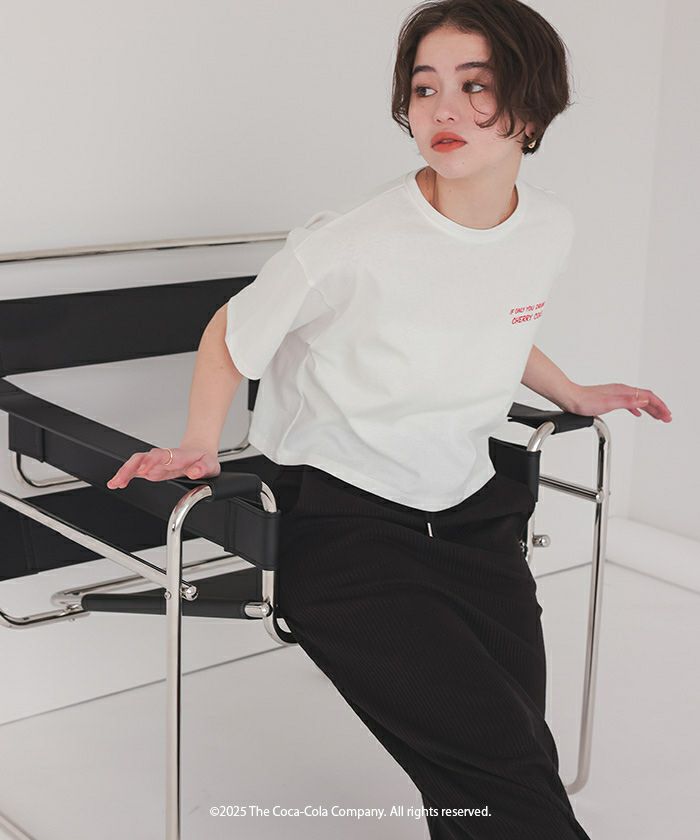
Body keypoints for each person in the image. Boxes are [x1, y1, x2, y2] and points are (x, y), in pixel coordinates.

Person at [107, 1, 672, 837]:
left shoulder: (548, 226)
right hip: (343, 525)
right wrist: (200, 440)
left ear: (531, 105)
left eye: (475, 86)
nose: (444, 109)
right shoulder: (353, 242)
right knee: (503, 766)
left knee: (507, 752)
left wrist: (573, 391)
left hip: (472, 513)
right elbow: (232, 331)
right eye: (425, 87)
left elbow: (497, 318)